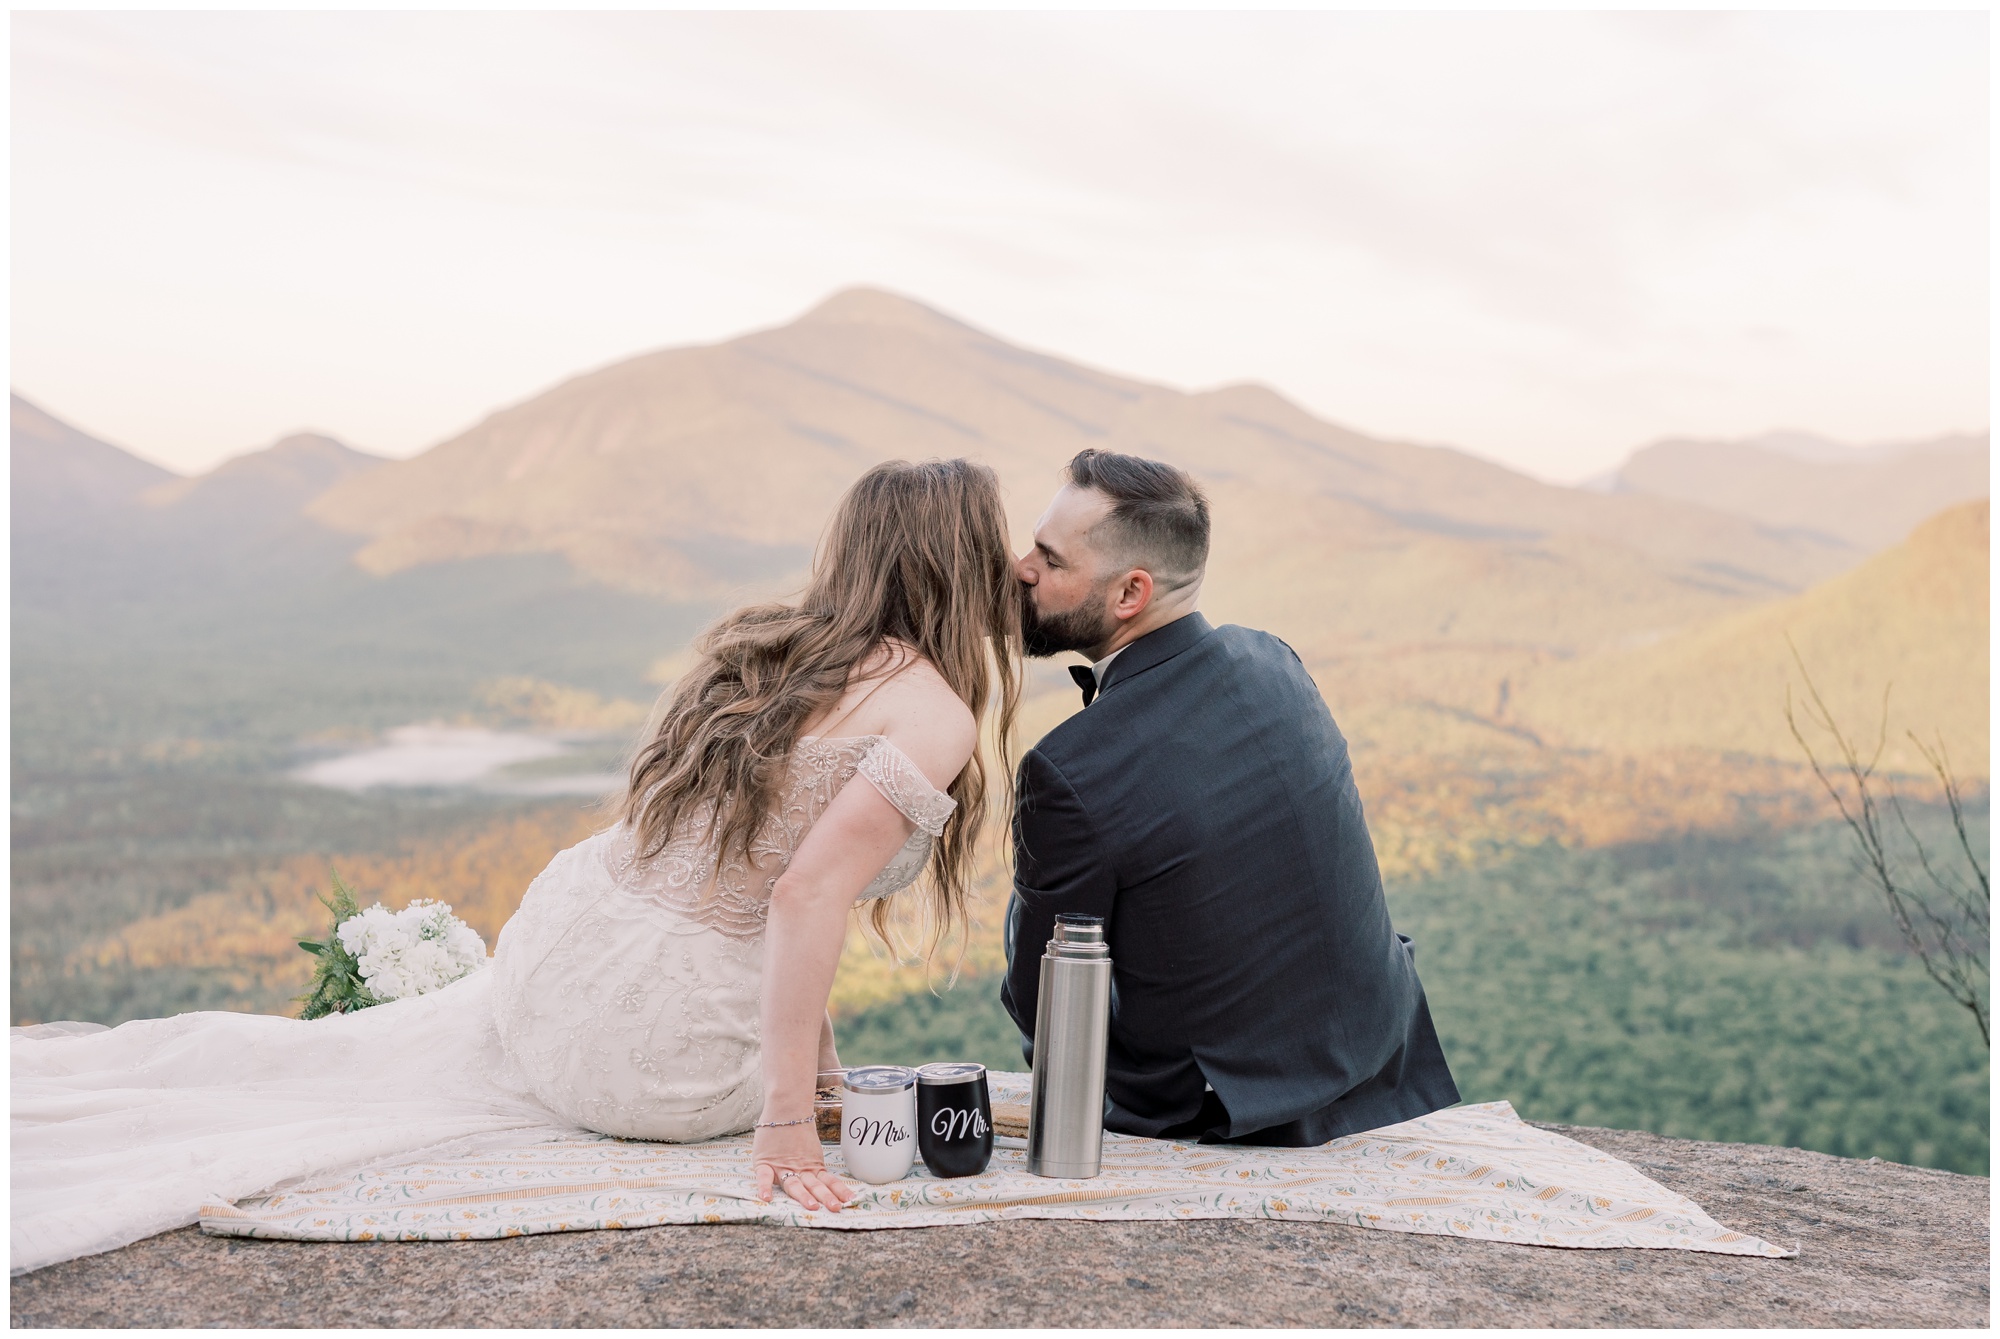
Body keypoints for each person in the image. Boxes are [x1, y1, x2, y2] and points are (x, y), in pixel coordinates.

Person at [12, 458, 1021, 1274]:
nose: (1015, 566)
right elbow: (800, 892)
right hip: (658, 1051)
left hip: (564, 945)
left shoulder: (781, 648)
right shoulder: (930, 708)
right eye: (999, 546)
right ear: (956, 561)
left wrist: (822, 1068)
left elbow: (751, 872)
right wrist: (789, 1120)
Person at [1005, 449, 1458, 1146]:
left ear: (1130, 595)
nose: (1021, 568)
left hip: (1237, 1113)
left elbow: (1045, 1005)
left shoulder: (1069, 767)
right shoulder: (1274, 658)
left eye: (1050, 558)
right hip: (1383, 1063)